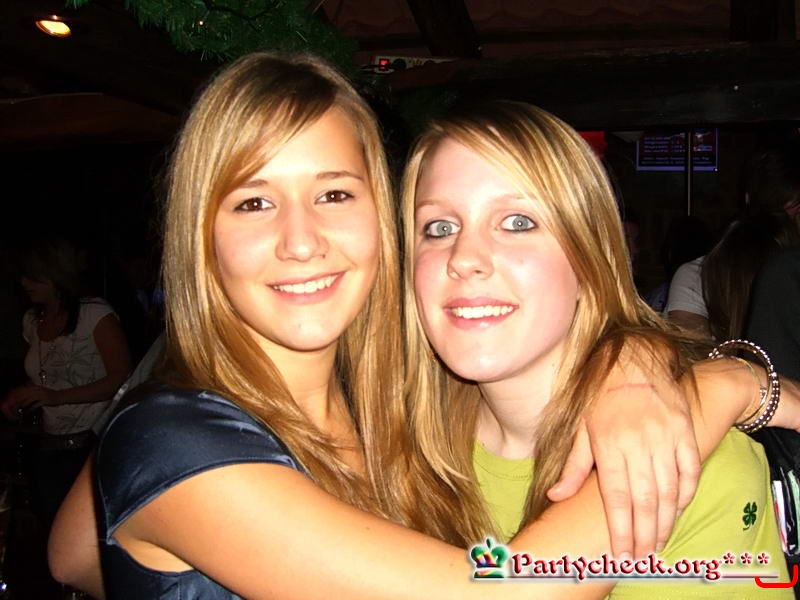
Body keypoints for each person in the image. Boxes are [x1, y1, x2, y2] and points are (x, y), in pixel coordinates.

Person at [48, 53, 800, 599]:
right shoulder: (175, 438)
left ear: (382, 225)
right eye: (253, 202)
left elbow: (74, 552)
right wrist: (714, 394)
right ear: (200, 239)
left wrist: (639, 360)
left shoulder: (396, 413)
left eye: (334, 194)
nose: (300, 241)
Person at [399, 100, 794, 596]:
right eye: (440, 228)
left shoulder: (691, 463)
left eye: (518, 222)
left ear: (590, 261)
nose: (465, 258)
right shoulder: (391, 444)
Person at [0, 238, 131, 527]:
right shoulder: (32, 320)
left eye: (33, 276)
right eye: (23, 276)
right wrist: (19, 397)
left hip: (93, 445)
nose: (24, 283)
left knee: (90, 531)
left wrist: (54, 397)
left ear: (56, 273)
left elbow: (121, 377)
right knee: (50, 527)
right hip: (48, 445)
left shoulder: (94, 314)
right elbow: (45, 376)